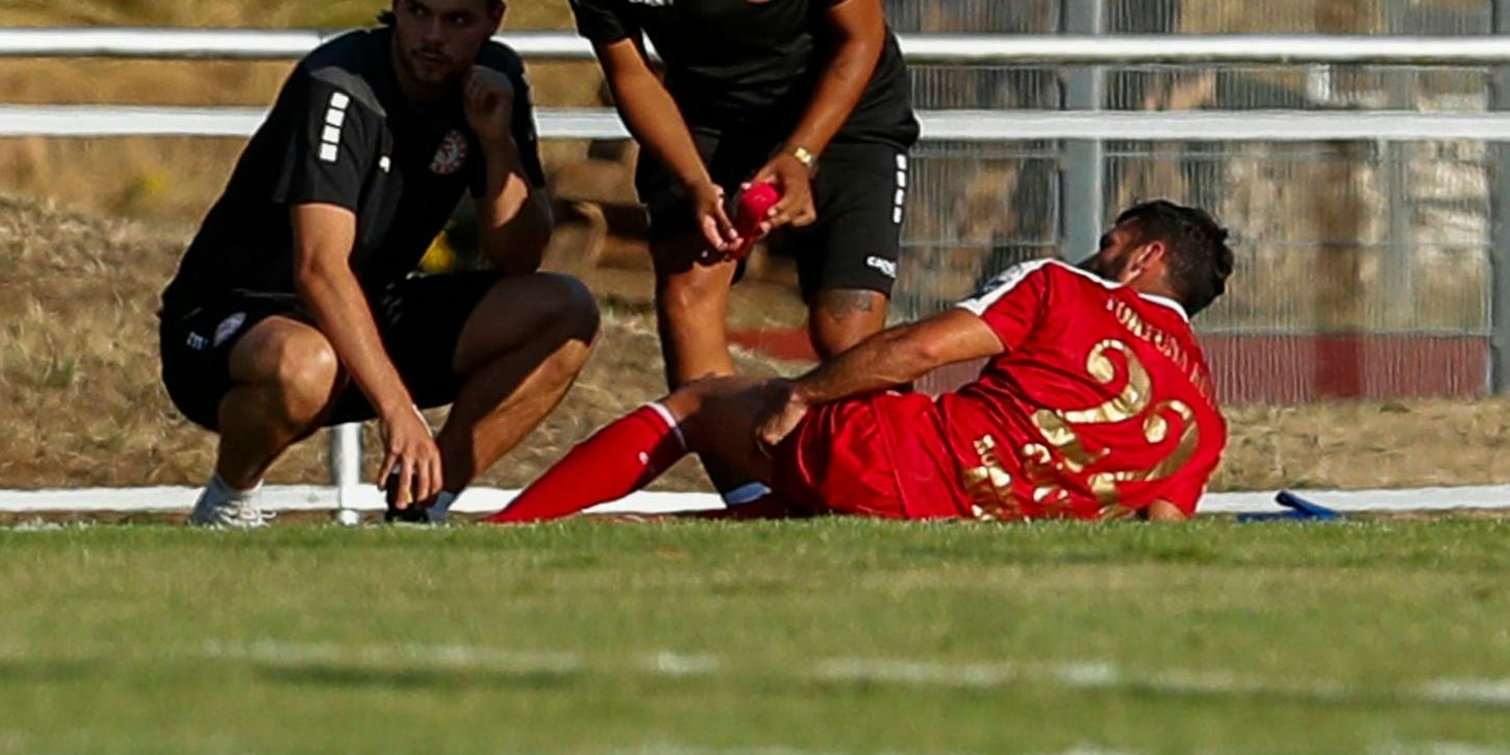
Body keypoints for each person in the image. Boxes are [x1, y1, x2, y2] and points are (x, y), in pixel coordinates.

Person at [159, 0, 599, 528]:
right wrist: (399, 410)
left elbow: (519, 258)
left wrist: (498, 146)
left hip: (368, 309)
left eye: (458, 21)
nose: (432, 37)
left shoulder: (496, 81)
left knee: (565, 310)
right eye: (418, 11)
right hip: (237, 323)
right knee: (305, 363)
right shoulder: (339, 86)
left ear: (495, 18)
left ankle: (421, 507)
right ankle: (228, 502)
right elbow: (317, 269)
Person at [558, 0, 919, 503]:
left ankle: (897, 487)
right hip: (710, 116)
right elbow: (630, 74)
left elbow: (861, 38)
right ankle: (748, 500)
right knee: (688, 289)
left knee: (841, 331)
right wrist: (694, 181)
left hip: (843, 112)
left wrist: (802, 156)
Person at [493, 201, 1233, 524]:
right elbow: (1159, 523)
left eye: (1110, 240)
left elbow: (919, 350)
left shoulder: (1062, 288)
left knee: (697, 403)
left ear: (1144, 256)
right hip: (983, 528)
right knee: (763, 522)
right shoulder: (1205, 411)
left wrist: (807, 394)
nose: (1094, 250)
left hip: (904, 463)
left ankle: (505, 528)